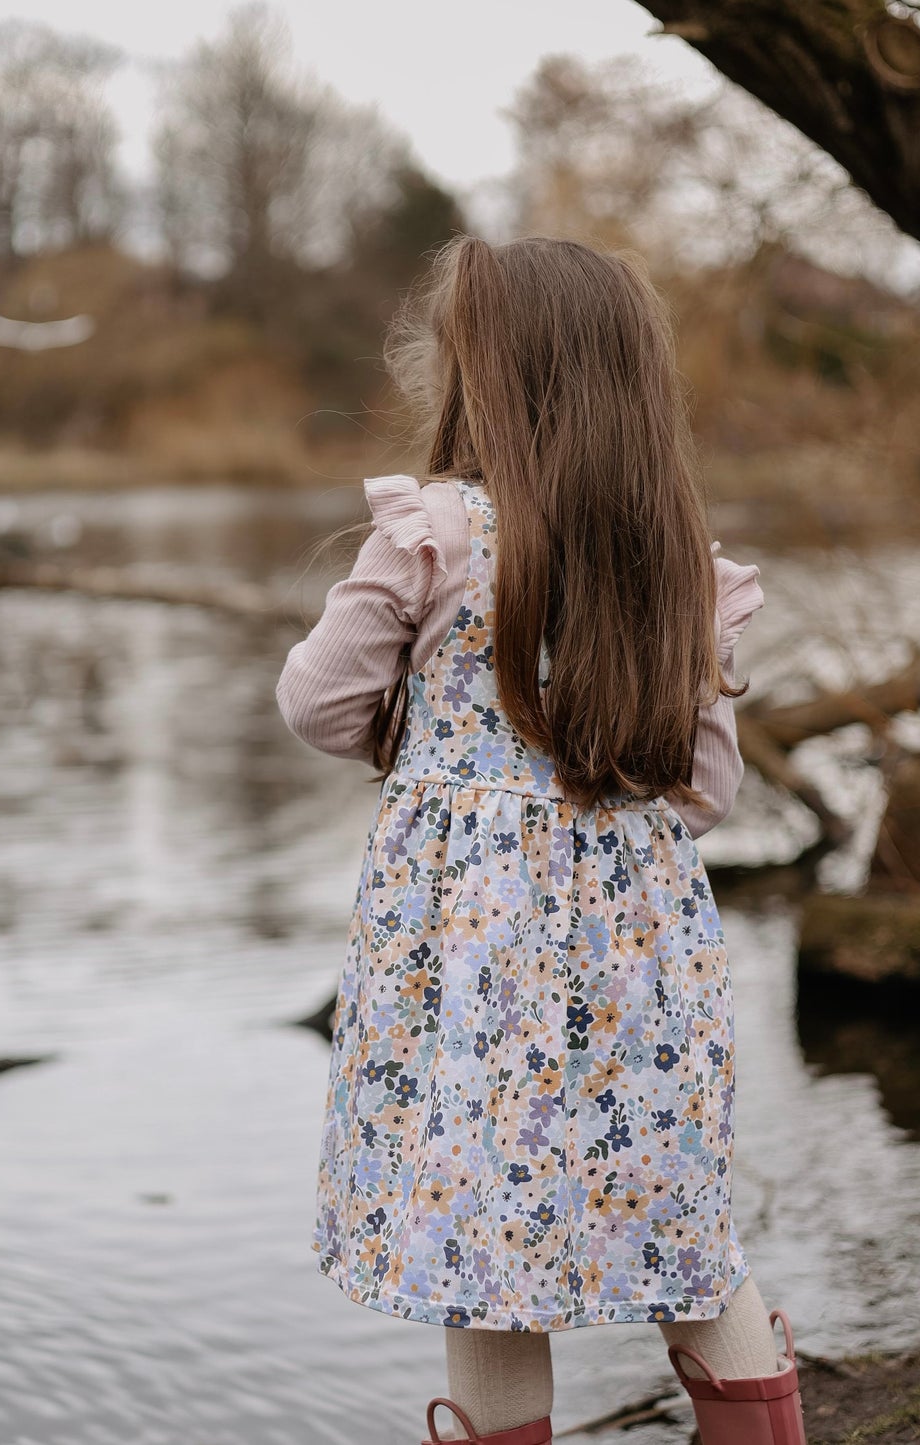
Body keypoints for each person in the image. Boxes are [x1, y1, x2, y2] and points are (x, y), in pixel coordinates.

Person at [275, 235, 806, 1445]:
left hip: (470, 962)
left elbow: (316, 704)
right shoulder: (681, 562)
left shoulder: (434, 535)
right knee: (680, 1220)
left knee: (483, 1232)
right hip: (640, 965)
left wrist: (444, 761)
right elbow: (703, 789)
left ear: (483, 375)